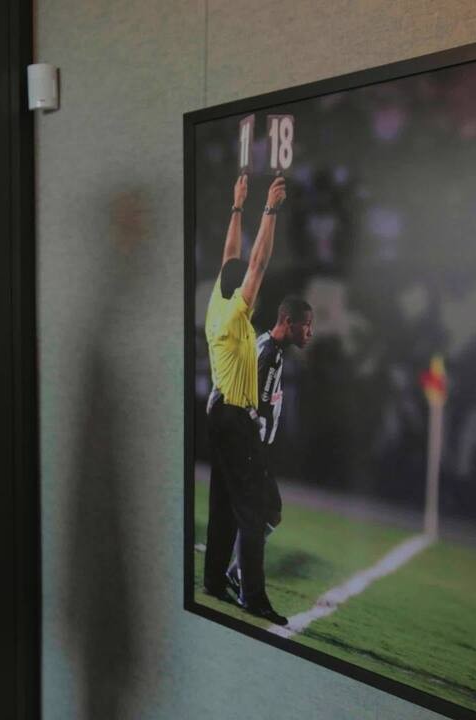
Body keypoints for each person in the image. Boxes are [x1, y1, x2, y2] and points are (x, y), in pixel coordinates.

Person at [202, 172, 288, 625]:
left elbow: (232, 256)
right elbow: (256, 263)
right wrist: (269, 210)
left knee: (221, 506)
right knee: (252, 512)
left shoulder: (216, 302)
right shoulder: (235, 311)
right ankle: (253, 597)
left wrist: (238, 204)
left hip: (218, 413)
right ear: (241, 292)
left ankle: (214, 581)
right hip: (235, 418)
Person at [224, 296, 313, 596]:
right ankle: (239, 577)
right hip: (251, 447)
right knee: (266, 512)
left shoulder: (266, 345)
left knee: (268, 511)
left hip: (248, 445)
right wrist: (255, 448)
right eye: (307, 326)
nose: (309, 333)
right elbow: (258, 407)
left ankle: (234, 571)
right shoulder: (271, 355)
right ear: (289, 322)